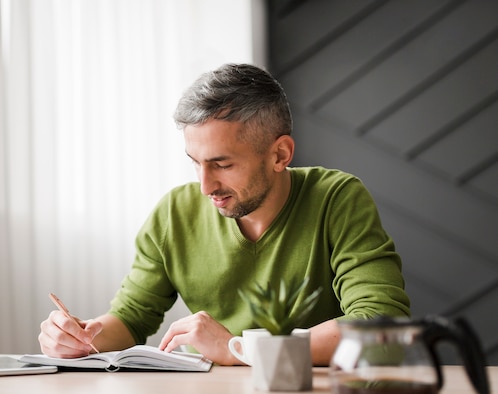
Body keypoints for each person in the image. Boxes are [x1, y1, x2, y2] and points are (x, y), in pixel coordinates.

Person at [39, 63, 411, 366]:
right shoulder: (174, 214)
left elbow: (382, 324)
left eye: (222, 164)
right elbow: (131, 318)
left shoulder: (336, 199)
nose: (205, 186)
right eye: (196, 163)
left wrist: (241, 350)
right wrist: (80, 337)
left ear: (280, 154)